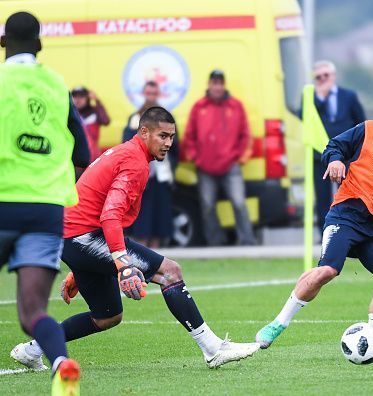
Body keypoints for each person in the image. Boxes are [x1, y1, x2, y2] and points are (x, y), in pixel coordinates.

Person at [11, 107, 260, 370]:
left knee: (107, 316)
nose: (168, 143)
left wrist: (87, 262)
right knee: (170, 272)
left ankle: (33, 349)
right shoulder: (134, 162)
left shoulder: (126, 152)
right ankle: (213, 349)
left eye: (171, 137)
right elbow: (109, 216)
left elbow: (94, 205)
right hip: (83, 237)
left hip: (75, 238)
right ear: (144, 132)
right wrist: (122, 263)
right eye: (162, 136)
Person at [256, 84, 373, 359]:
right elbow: (334, 146)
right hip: (347, 215)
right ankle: (278, 323)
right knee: (327, 270)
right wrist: (335, 161)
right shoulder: (369, 129)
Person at [0, 11, 90, 395]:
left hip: (4, 201)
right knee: (33, 313)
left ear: (3, 44)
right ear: (39, 45)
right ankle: (60, 363)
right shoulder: (56, 85)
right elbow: (82, 151)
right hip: (46, 210)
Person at [182, 70, 256, 246]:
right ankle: (216, 242)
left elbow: (245, 134)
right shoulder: (199, 107)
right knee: (207, 206)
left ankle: (247, 240)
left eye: (220, 83)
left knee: (238, 203)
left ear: (224, 85)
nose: (217, 86)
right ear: (209, 84)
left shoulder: (235, 106)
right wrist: (195, 158)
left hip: (231, 166)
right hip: (205, 167)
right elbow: (189, 135)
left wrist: (240, 157)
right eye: (214, 83)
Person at [311, 60, 366, 237]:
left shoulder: (348, 96)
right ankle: (324, 233)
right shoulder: (311, 98)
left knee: (349, 195)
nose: (323, 79)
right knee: (322, 197)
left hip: (346, 155)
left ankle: (350, 230)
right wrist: (319, 97)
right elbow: (304, 118)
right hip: (320, 156)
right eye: (318, 77)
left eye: (326, 75)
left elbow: (361, 122)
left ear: (333, 76)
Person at [123, 81, 178, 248]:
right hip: (141, 176)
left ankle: (157, 260)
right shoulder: (135, 119)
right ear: (144, 94)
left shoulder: (166, 119)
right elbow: (127, 145)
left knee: (159, 223)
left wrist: (170, 168)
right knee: (142, 222)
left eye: (154, 94)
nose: (151, 97)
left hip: (161, 175)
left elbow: (176, 148)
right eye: (148, 93)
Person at [72, 85, 111, 161]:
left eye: (81, 96)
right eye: (75, 96)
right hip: (73, 156)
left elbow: (106, 121)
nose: (78, 99)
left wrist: (97, 100)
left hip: (92, 157)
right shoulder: (70, 113)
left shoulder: (94, 112)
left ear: (88, 98)